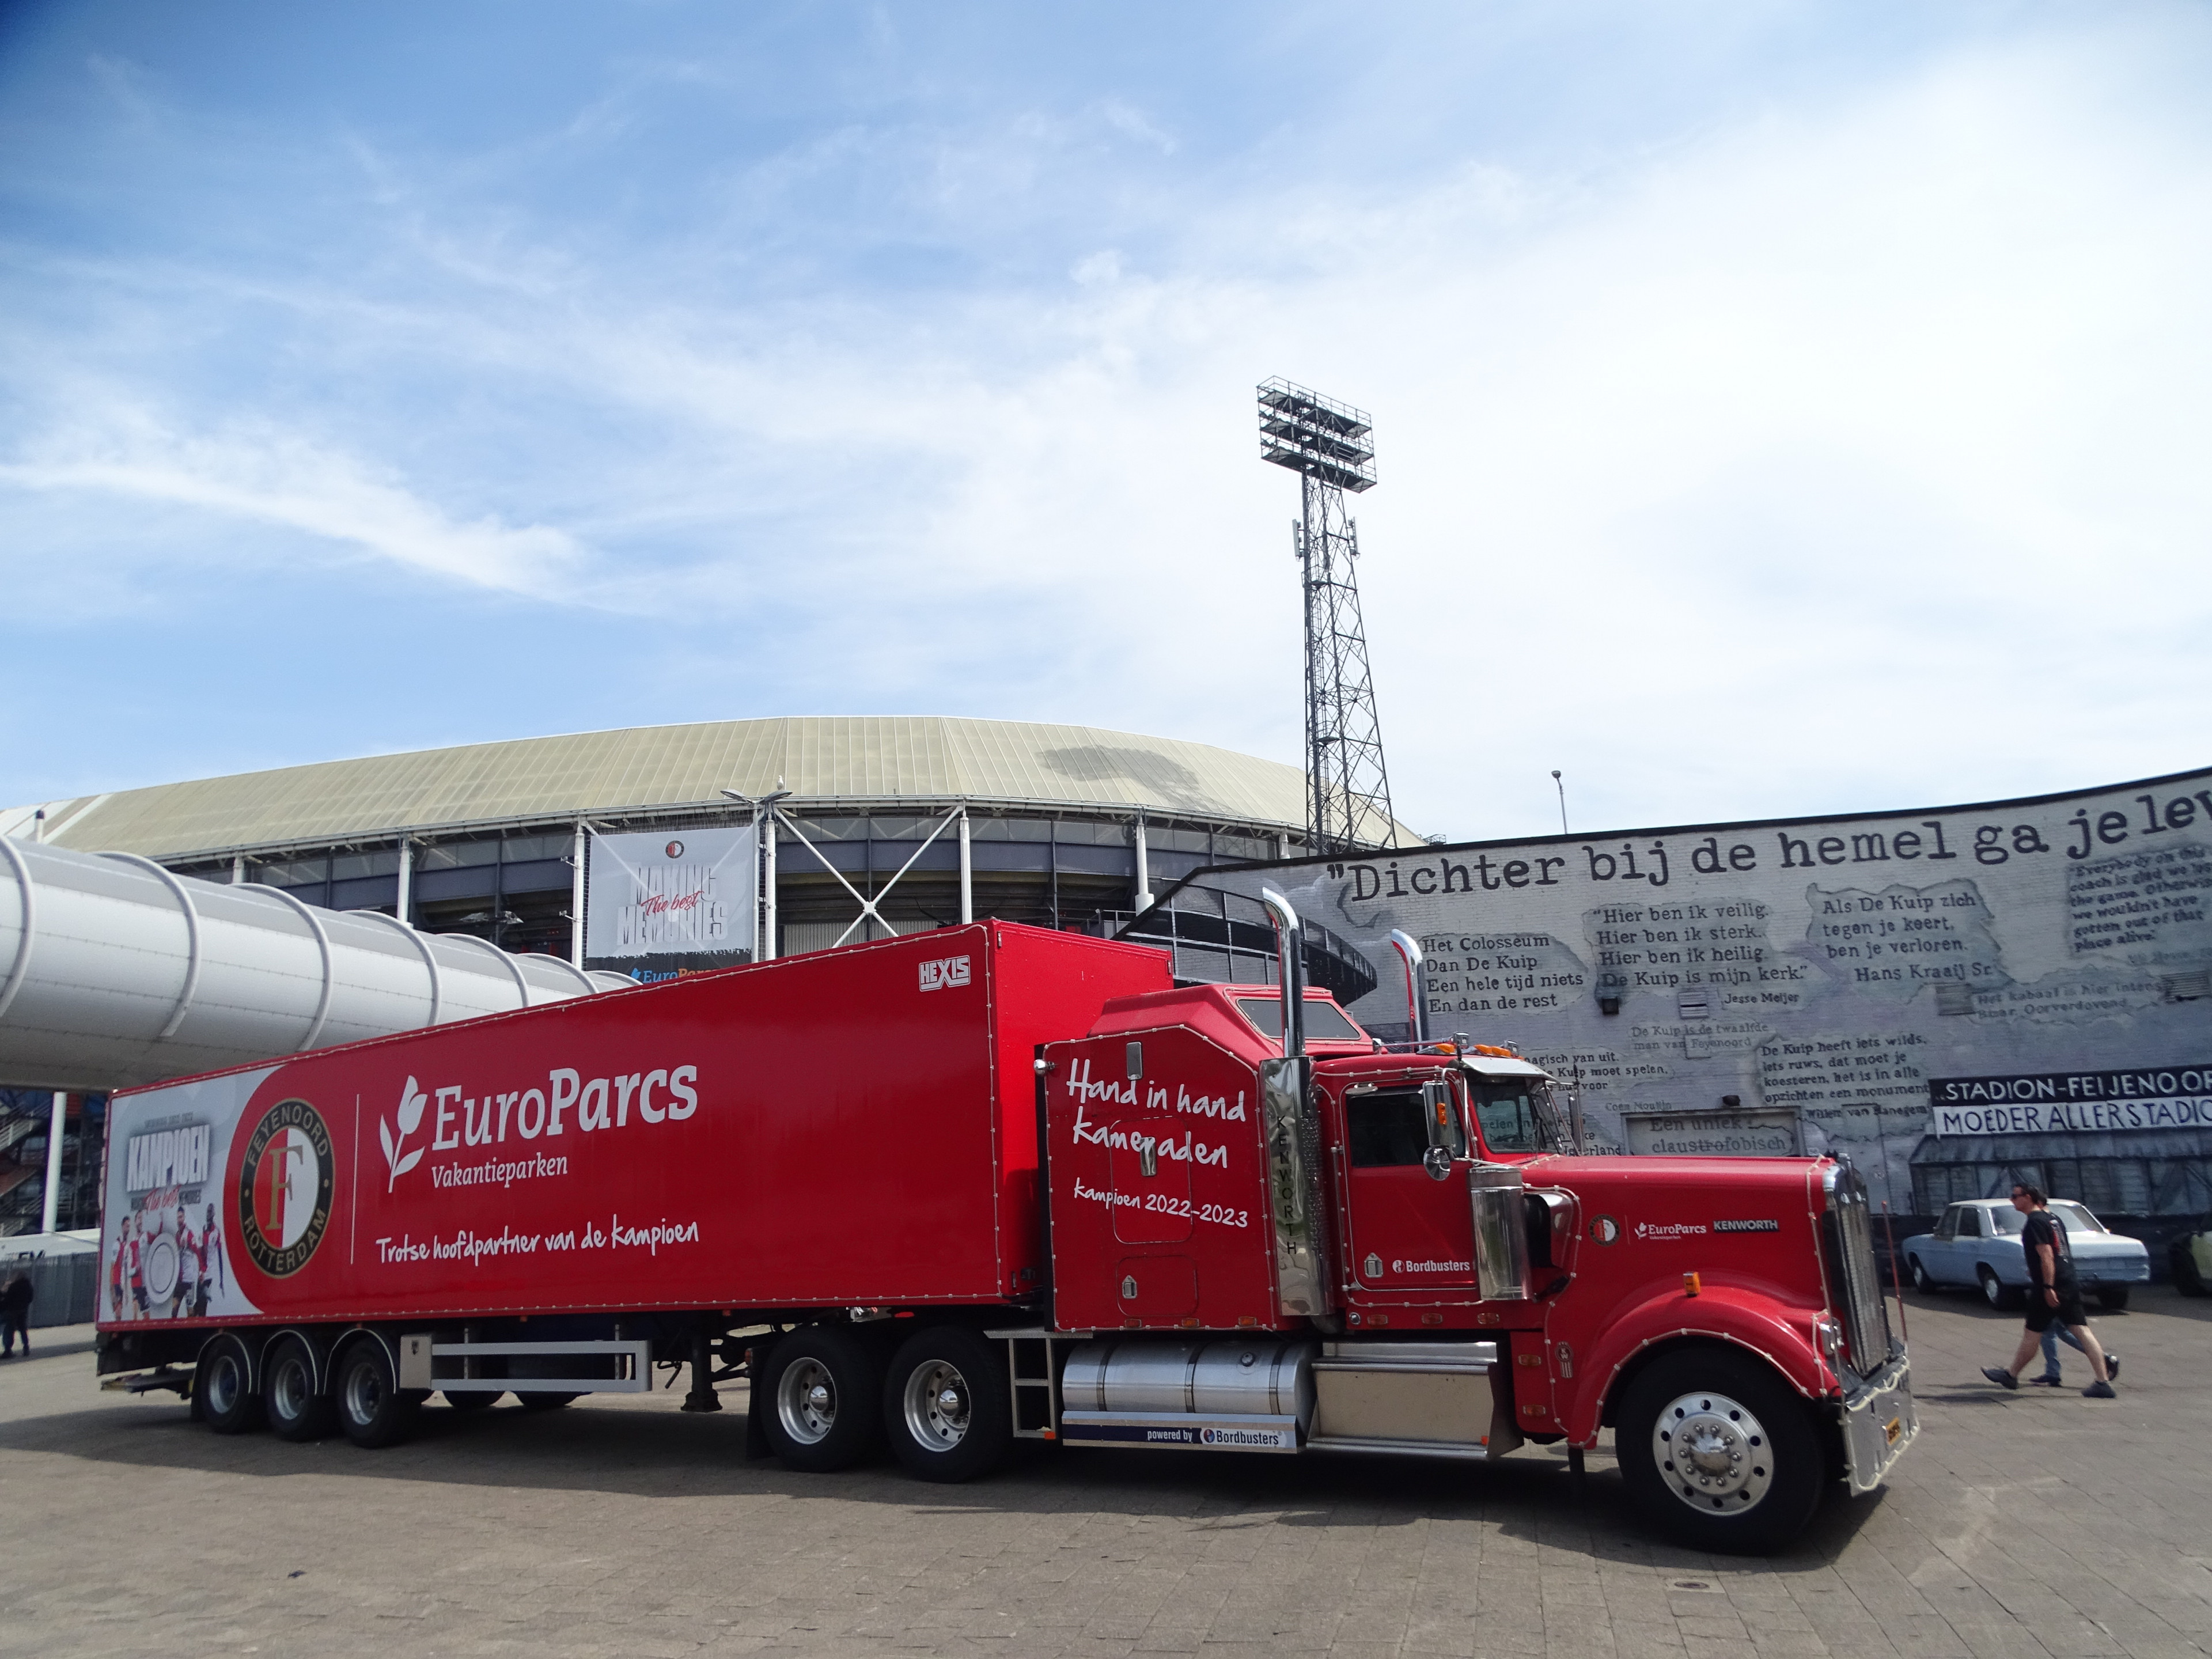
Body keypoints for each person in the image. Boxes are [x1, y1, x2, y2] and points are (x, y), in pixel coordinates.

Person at [1983, 1183, 2115, 1399]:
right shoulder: (2053, 1219)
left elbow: (2046, 1255)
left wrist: (2047, 1286)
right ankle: (2103, 1381)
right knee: (2081, 1330)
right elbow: (2058, 1251)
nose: (2012, 1200)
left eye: (2015, 1196)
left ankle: (2011, 1375)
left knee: (2032, 1333)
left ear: (2028, 1198)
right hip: (2068, 1281)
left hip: (2052, 1286)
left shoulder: (2035, 1222)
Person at [2032, 1320, 2118, 1387]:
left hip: (2053, 1302)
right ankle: (2105, 1358)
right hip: (2061, 1301)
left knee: (2048, 1333)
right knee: (2061, 1332)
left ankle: (2053, 1373)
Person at [174, 1205, 201, 1323]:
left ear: (184, 1217)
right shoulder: (177, 1235)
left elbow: (198, 1252)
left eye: (181, 1217)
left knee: (190, 1311)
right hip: (180, 1280)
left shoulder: (189, 1234)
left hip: (189, 1279)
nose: (179, 1220)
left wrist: (201, 1271)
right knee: (174, 1310)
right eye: (178, 1217)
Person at [0, 1272, 31, 1357]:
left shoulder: (14, 1287)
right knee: (22, 1329)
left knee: (9, 1329)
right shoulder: (28, 1286)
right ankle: (26, 1347)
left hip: (12, 1311)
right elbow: (30, 1298)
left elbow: (8, 1299)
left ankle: (7, 1350)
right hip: (23, 1311)